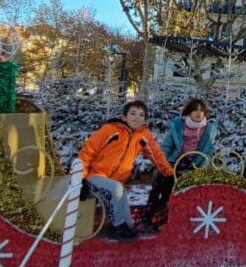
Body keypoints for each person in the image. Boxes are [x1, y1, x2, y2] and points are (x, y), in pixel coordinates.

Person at [78, 100, 173, 240]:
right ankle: (118, 227)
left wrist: (169, 174)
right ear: (124, 117)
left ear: (144, 119)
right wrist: (80, 179)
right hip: (95, 176)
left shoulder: (142, 135)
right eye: (133, 113)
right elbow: (87, 152)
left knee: (122, 200)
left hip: (116, 182)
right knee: (116, 188)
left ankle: (123, 227)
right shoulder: (110, 130)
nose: (137, 117)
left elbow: (156, 154)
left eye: (141, 115)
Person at [139, 97, 218, 230]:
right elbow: (166, 146)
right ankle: (149, 216)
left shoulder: (209, 129)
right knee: (161, 180)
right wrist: (161, 164)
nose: (198, 113)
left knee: (178, 186)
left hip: (194, 163)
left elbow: (209, 150)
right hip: (175, 160)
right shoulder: (178, 126)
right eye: (195, 110)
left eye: (201, 111)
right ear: (188, 113)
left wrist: (201, 165)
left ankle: (167, 217)